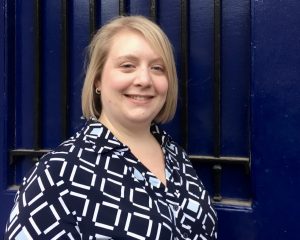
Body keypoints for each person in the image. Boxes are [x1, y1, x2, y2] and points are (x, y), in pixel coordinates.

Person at [4, 15, 217, 240]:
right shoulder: (58, 175)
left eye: (157, 68)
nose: (144, 80)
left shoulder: (177, 158)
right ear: (97, 80)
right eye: (127, 66)